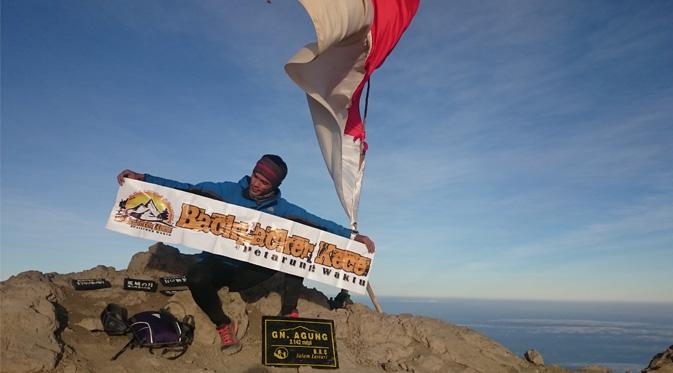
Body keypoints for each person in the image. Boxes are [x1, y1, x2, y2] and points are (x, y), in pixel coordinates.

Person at [117, 154, 375, 353]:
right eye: (255, 177)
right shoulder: (226, 191)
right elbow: (184, 190)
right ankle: (223, 324)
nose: (256, 184)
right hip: (217, 264)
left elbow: (316, 222)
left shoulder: (282, 208)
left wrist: (353, 237)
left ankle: (289, 312)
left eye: (264, 183)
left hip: (249, 271)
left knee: (298, 249)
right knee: (196, 278)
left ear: (274, 186)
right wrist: (145, 179)